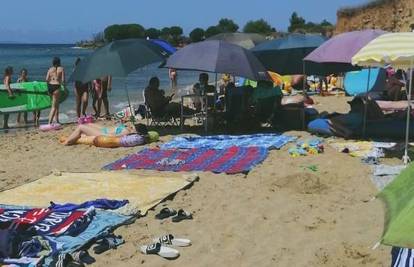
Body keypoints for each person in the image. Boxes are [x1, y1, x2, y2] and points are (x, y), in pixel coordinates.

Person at [62, 122, 147, 146]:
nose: (132, 126)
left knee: (81, 127)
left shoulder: (127, 132)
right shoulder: (128, 129)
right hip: (104, 129)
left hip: (103, 133)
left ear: (135, 131)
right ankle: (75, 136)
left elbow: (113, 136)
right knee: (89, 124)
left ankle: (67, 142)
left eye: (134, 127)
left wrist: (128, 130)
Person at [45, 57, 64, 125]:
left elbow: (46, 79)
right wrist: (62, 85)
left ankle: (57, 120)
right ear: (59, 62)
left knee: (56, 104)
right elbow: (63, 80)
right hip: (56, 87)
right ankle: (49, 123)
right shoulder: (61, 69)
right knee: (54, 106)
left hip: (50, 87)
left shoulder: (50, 69)